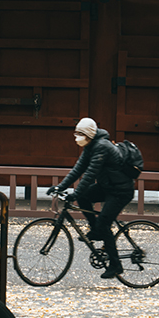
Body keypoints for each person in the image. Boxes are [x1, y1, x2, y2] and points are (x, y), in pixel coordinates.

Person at [47, 117, 134, 280]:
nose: (76, 137)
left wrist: (75, 193)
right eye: (76, 133)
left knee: (103, 223)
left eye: (80, 134)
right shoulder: (90, 146)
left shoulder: (101, 147)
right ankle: (96, 230)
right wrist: (61, 186)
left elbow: (89, 174)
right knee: (85, 197)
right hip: (107, 186)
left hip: (120, 191)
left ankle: (116, 265)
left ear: (88, 134)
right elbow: (78, 169)